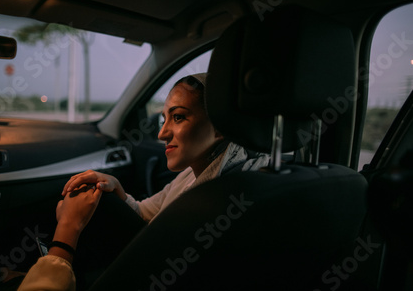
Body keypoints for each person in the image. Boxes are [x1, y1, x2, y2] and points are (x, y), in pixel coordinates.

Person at [17, 73, 269, 291]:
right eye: (163, 119)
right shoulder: (194, 174)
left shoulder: (214, 199)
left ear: (220, 127)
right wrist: (118, 188)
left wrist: (68, 229)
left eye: (179, 117)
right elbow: (147, 214)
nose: (162, 133)